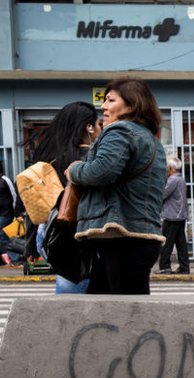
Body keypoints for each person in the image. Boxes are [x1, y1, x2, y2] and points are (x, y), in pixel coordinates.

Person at [66, 79, 166, 295]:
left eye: (111, 100)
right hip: (137, 236)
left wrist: (74, 170)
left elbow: (102, 171)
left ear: (131, 106)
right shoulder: (150, 138)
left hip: (120, 237)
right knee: (116, 309)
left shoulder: (120, 131)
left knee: (123, 314)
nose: (103, 106)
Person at [29, 102, 100, 293]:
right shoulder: (92, 159)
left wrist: (30, 245)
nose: (101, 128)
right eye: (98, 124)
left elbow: (35, 202)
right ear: (89, 127)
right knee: (82, 293)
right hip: (79, 227)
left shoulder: (49, 157)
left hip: (49, 228)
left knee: (69, 291)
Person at [157, 154, 190, 275]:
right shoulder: (180, 179)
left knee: (167, 243)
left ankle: (165, 266)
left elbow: (162, 194)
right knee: (181, 243)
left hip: (172, 216)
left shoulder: (172, 180)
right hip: (180, 216)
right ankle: (184, 267)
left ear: (171, 168)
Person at [0, 163, 17, 265]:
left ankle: (11, 257)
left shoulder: (5, 180)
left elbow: (13, 194)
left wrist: (16, 212)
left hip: (6, 213)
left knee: (3, 234)